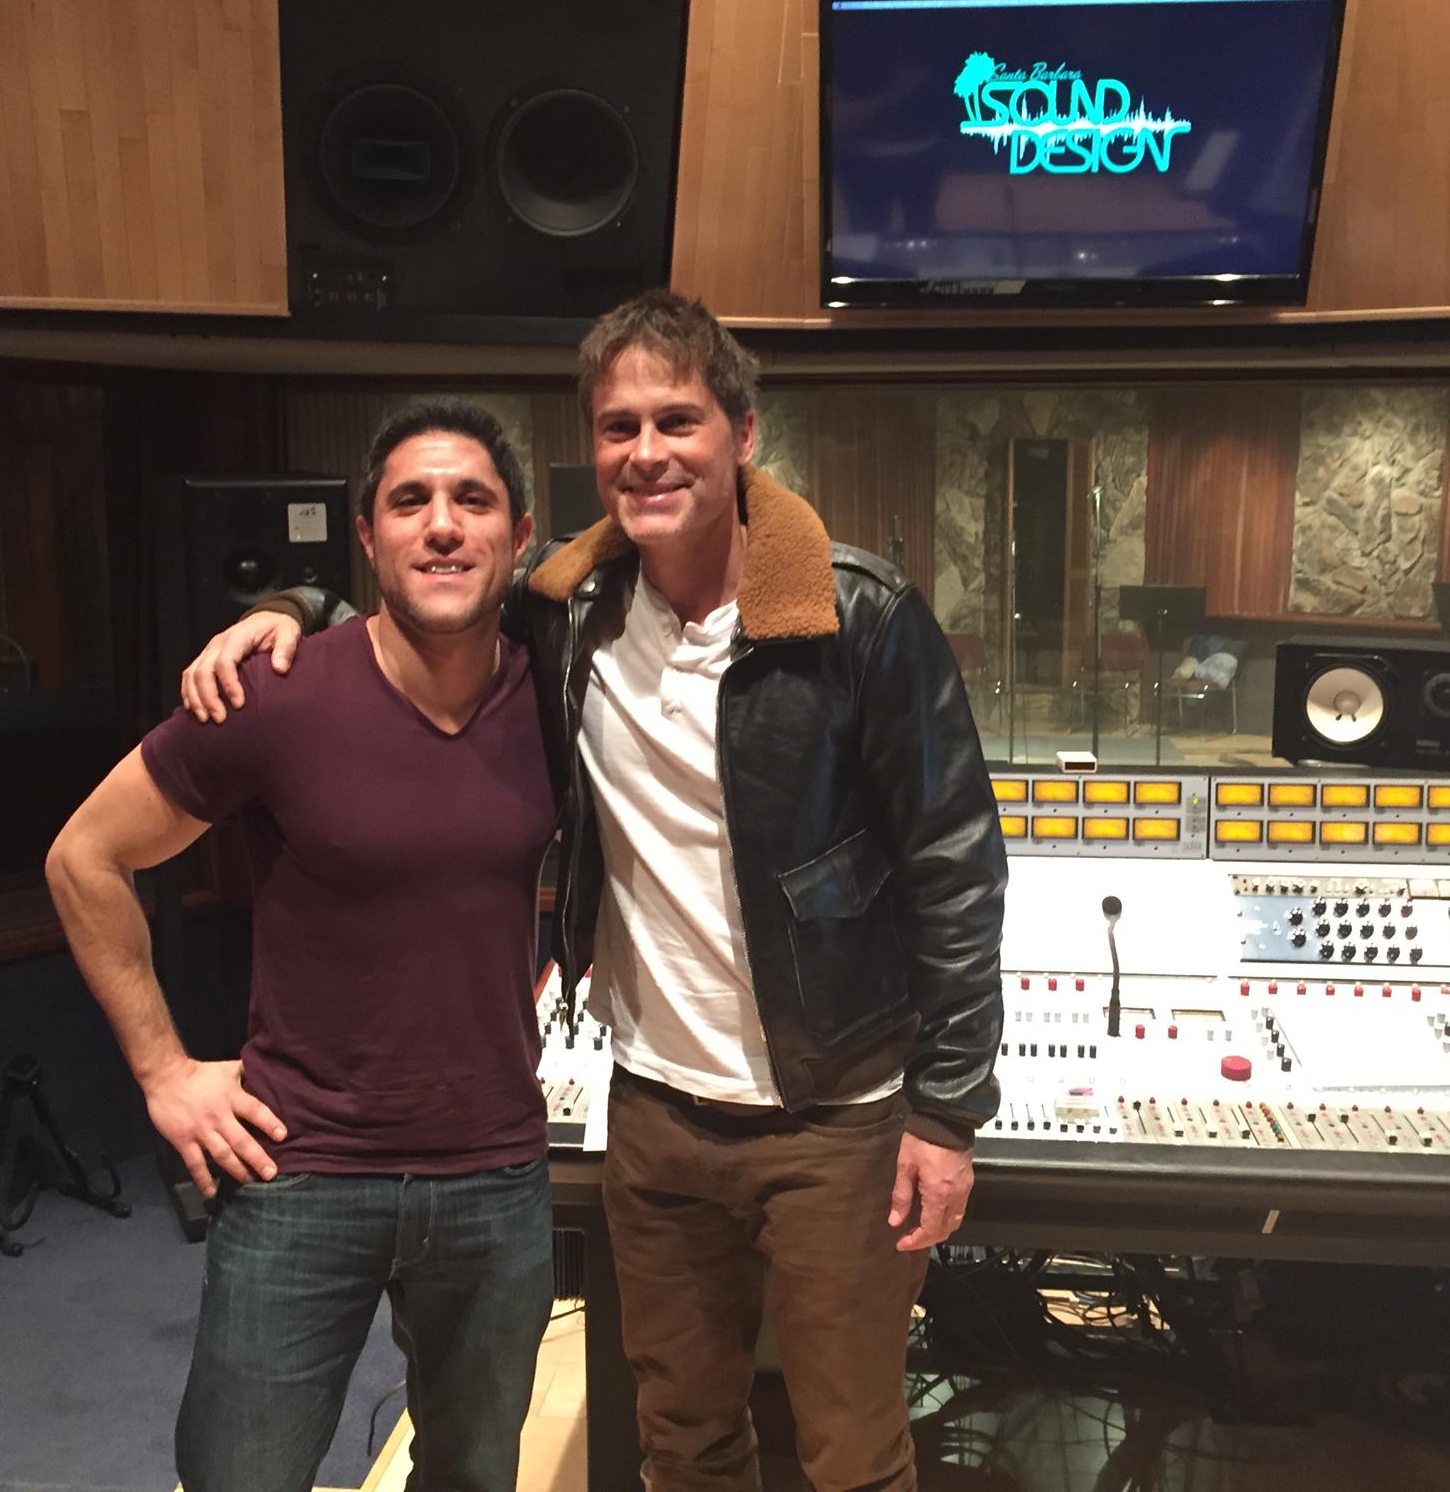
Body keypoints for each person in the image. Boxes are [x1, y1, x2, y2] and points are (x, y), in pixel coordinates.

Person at [182, 291, 1007, 1492]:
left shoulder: (858, 617)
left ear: (741, 434)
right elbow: (419, 605)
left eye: (677, 420)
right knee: (680, 1436)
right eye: (618, 427)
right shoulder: (569, 612)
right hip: (658, 1113)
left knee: (849, 1449)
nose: (646, 451)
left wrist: (946, 1113)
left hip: (835, 1112)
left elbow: (954, 866)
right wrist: (288, 608)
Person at [47, 400, 558, 1492]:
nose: (442, 525)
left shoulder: (555, 692)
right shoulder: (274, 692)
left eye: (472, 500)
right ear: (365, 537)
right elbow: (84, 857)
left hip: (495, 1174)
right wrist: (164, 1071)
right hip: (301, 1170)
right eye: (409, 501)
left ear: (520, 536)